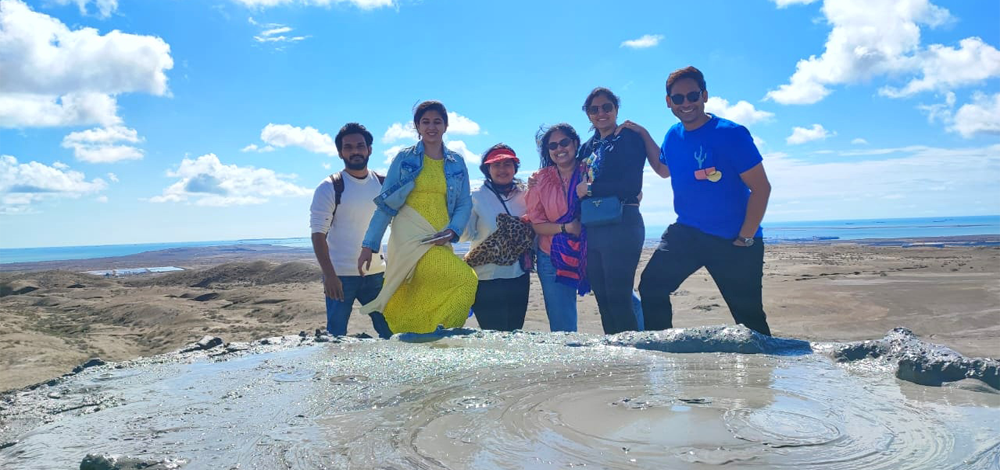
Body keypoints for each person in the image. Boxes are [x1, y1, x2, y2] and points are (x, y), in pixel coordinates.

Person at [639, 66, 773, 336]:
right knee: (651, 285)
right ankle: (661, 350)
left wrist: (746, 238)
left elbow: (761, 189)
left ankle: (761, 375)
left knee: (749, 318)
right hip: (688, 233)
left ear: (705, 96)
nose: (686, 103)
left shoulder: (731, 133)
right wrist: (643, 134)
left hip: (734, 239)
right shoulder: (672, 136)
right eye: (678, 98)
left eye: (693, 96)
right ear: (669, 102)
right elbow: (664, 170)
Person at [357, 101, 477, 334]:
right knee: (466, 279)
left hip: (440, 236)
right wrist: (368, 245)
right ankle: (442, 336)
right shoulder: (404, 159)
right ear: (417, 126)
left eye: (437, 121)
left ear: (446, 125)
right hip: (410, 236)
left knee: (431, 288)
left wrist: (452, 231)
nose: (431, 127)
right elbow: (386, 204)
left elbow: (464, 203)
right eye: (425, 122)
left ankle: (428, 336)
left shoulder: (457, 162)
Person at [575, 88, 651, 334]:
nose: (601, 113)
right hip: (594, 227)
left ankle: (633, 359)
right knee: (604, 299)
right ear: (588, 114)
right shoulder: (587, 147)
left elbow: (631, 186)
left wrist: (591, 189)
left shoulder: (628, 139)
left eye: (607, 107)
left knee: (619, 298)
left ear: (616, 110)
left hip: (623, 224)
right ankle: (616, 358)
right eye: (594, 109)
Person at [309, 122, 392, 339]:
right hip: (341, 276)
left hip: (377, 274)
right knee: (336, 336)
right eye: (348, 147)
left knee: (391, 330)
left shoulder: (383, 184)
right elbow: (318, 234)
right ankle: (337, 375)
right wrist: (329, 275)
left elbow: (398, 225)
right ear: (340, 152)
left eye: (360, 145)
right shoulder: (329, 187)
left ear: (369, 149)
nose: (355, 151)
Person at [462, 144, 531, 331]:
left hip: (519, 276)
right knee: (494, 336)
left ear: (515, 168)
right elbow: (463, 236)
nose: (502, 169)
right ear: (487, 170)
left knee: (515, 334)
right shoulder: (475, 197)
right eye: (496, 165)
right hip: (486, 279)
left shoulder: (526, 195)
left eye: (507, 164)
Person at [525, 124, 587, 332]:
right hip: (552, 256)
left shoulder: (591, 170)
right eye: (552, 145)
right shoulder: (539, 179)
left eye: (564, 142)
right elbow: (537, 224)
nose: (559, 148)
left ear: (575, 143)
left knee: (624, 302)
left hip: (592, 250)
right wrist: (566, 228)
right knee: (562, 327)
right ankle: (570, 365)